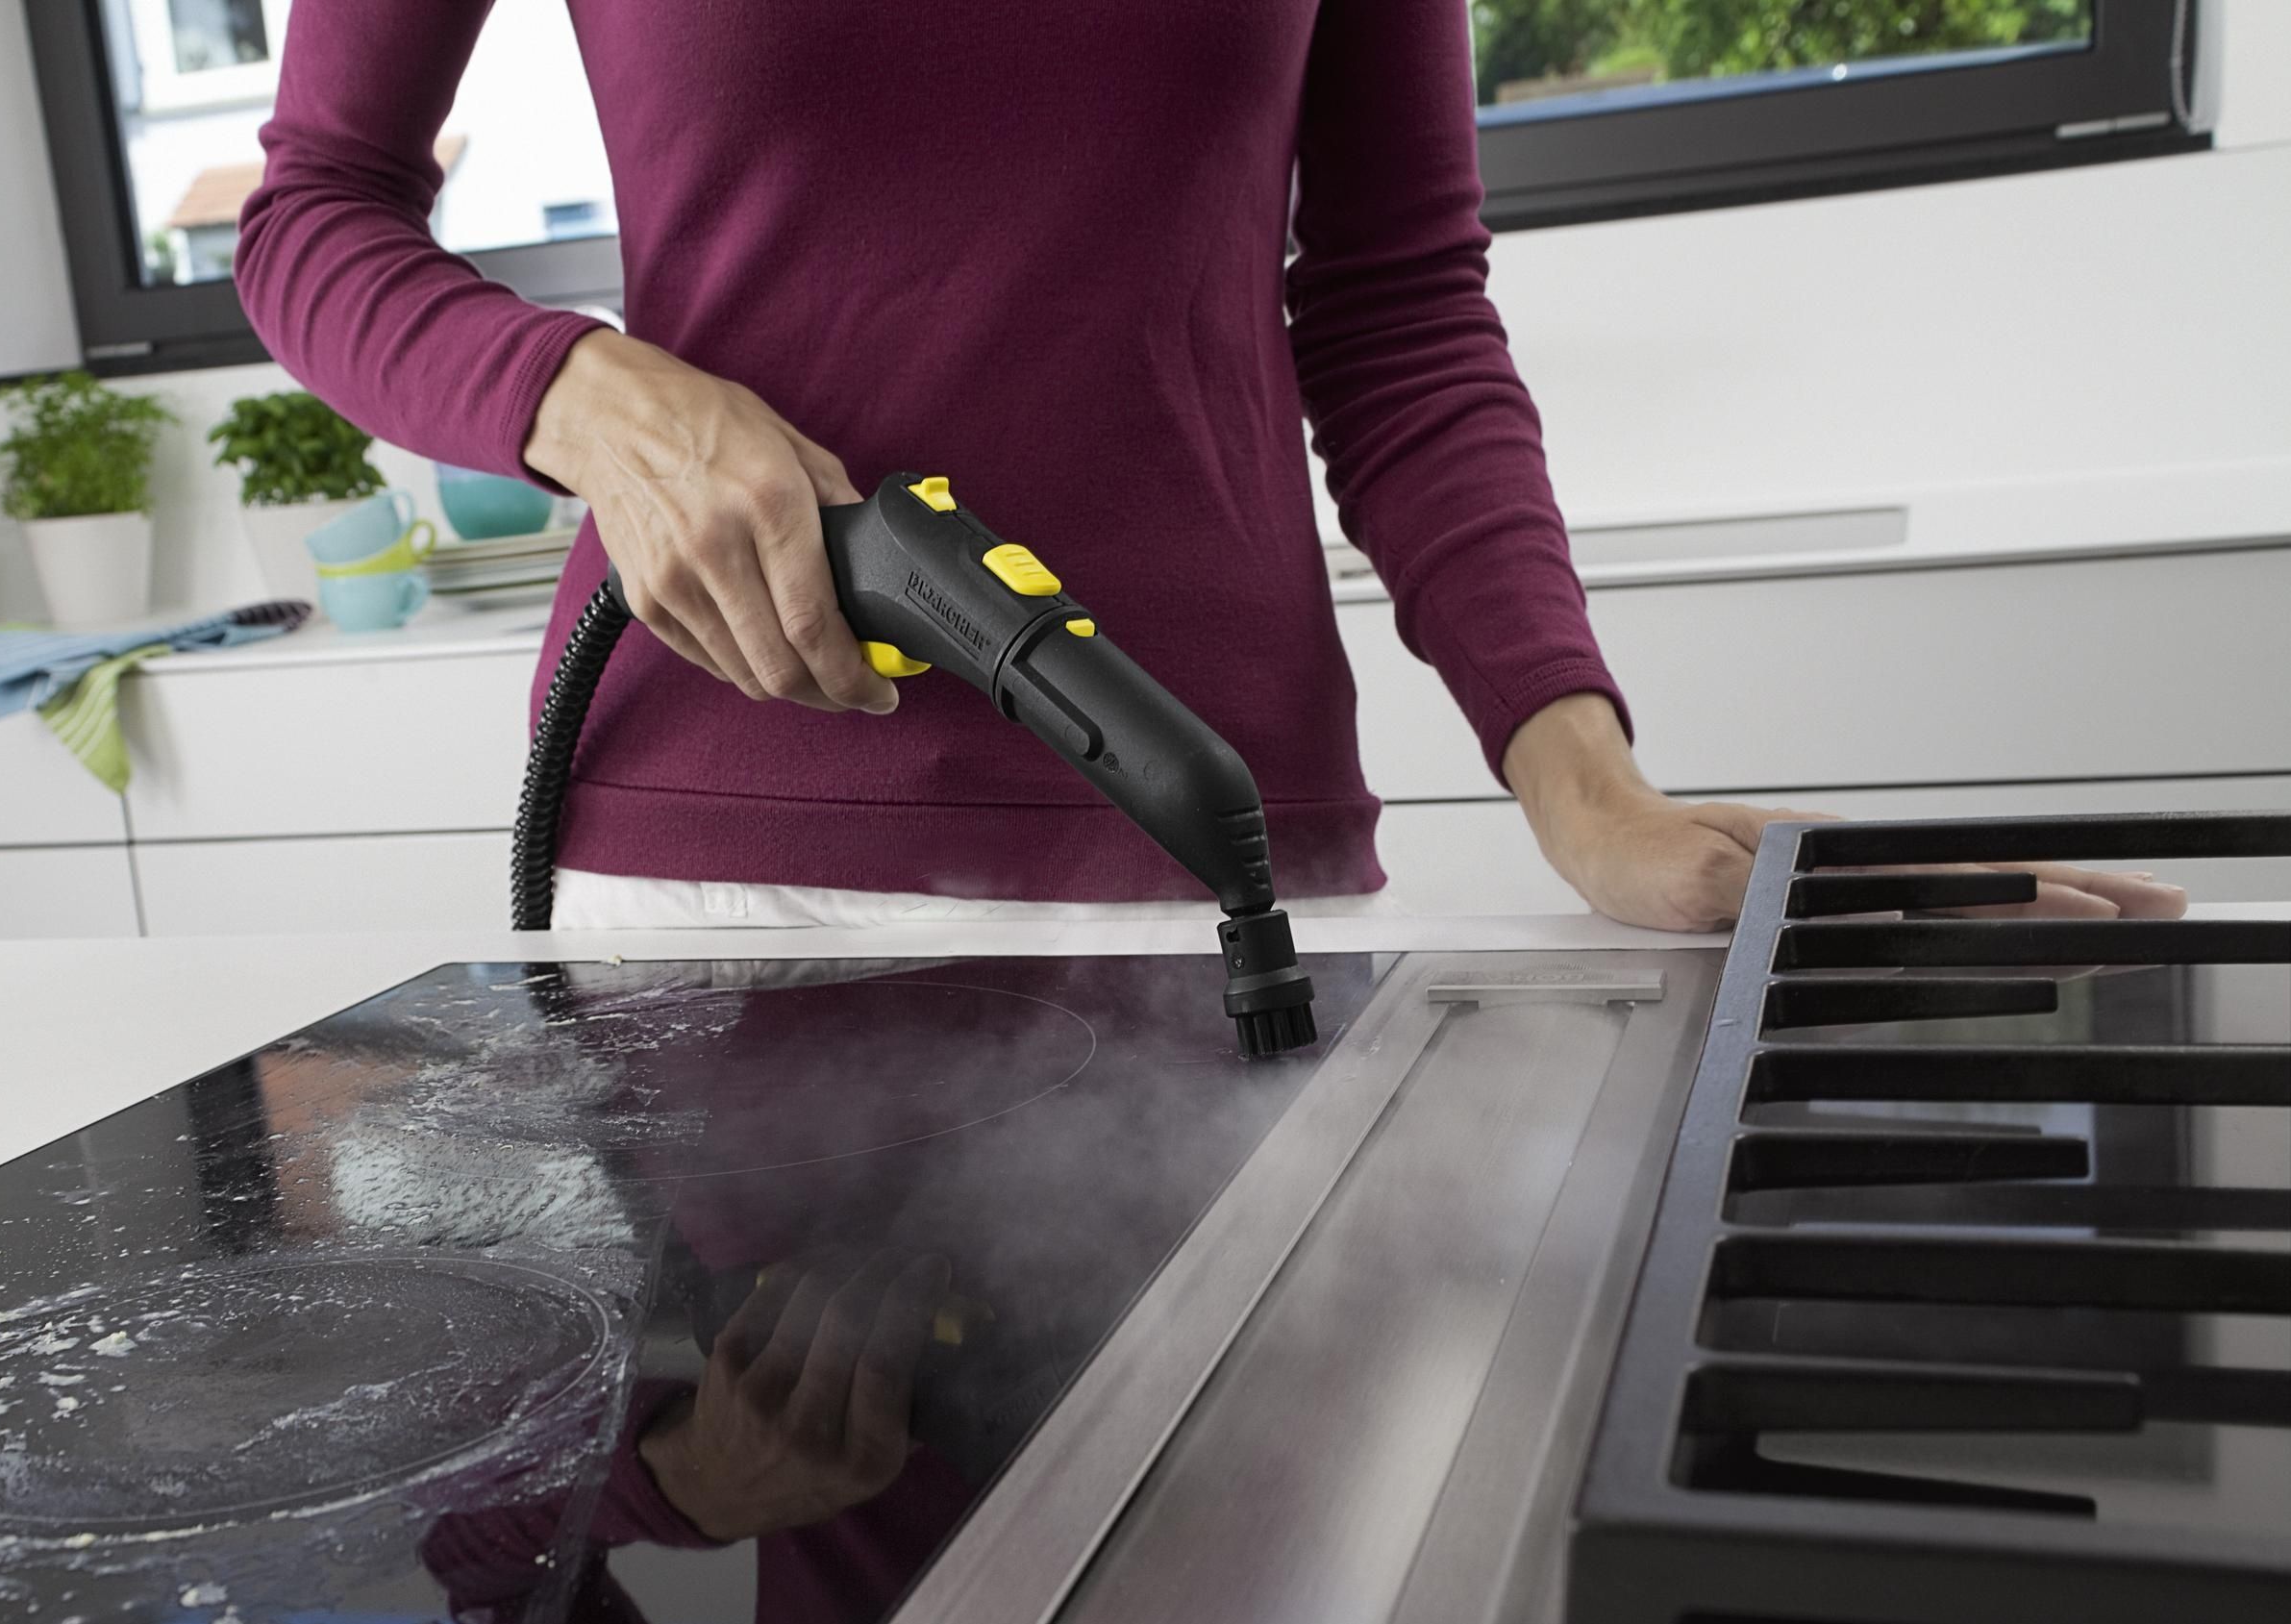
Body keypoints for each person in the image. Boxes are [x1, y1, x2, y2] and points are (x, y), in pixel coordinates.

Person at [237, 2, 2180, 933]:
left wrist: (1585, 790)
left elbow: (1399, 309)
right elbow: (311, 211)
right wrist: (594, 399)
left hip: (1204, 840)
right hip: (724, 854)